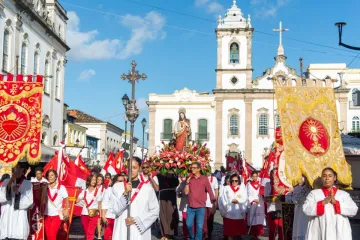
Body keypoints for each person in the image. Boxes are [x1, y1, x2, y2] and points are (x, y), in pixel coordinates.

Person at [111, 157, 159, 239]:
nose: (131, 170)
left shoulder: (147, 189)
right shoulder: (117, 187)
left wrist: (136, 220)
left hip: (139, 230)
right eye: (129, 168)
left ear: (140, 168)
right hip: (122, 228)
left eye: (134, 168)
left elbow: (155, 211)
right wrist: (125, 193)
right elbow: (115, 210)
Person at [303, 167, 358, 240]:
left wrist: (336, 203)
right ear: (321, 178)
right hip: (318, 230)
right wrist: (323, 202)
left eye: (330, 176)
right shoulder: (314, 194)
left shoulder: (343, 194)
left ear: (334, 178)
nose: (327, 178)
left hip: (339, 231)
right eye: (324, 176)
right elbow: (306, 209)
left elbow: (353, 210)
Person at [0, 162, 33, 239]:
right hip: (7, 213)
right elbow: (1, 196)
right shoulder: (6, 181)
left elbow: (29, 201)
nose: (16, 171)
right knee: (6, 234)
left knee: (18, 234)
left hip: (19, 215)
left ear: (22, 170)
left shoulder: (28, 184)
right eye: (14, 169)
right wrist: (11, 181)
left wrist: (18, 193)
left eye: (18, 169)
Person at [184, 162, 215, 240]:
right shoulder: (189, 178)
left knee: (199, 226)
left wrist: (213, 201)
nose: (192, 169)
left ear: (199, 169)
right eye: (191, 168)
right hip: (190, 207)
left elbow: (209, 190)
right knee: (188, 224)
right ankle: (191, 237)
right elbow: (186, 192)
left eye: (194, 168)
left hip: (201, 207)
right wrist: (187, 183)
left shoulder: (204, 179)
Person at [44, 169, 70, 240]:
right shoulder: (45, 187)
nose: (50, 177)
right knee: (47, 235)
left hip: (56, 216)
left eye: (52, 175)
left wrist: (67, 209)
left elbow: (67, 199)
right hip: (46, 215)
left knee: (51, 235)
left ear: (56, 177)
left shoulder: (61, 187)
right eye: (48, 176)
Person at [221, 173, 247, 239]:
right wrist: (230, 201)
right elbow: (223, 198)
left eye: (236, 181)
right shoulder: (226, 188)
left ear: (239, 181)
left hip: (238, 214)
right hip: (229, 214)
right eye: (232, 181)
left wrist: (238, 200)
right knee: (230, 233)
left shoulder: (242, 188)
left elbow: (245, 198)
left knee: (238, 234)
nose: (234, 182)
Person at [76, 174, 102, 240]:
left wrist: (100, 216)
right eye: (92, 180)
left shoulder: (98, 191)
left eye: (95, 180)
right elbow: (77, 200)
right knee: (86, 232)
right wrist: (76, 190)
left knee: (90, 233)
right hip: (84, 214)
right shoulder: (84, 191)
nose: (94, 181)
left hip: (94, 215)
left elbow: (99, 204)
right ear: (89, 181)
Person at [158, 172, 179, 240]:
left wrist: (172, 175)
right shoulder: (159, 176)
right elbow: (157, 187)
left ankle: (172, 233)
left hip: (171, 196)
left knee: (172, 214)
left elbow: (177, 183)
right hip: (163, 196)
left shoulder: (174, 176)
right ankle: (165, 233)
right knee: (163, 215)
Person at [246, 171, 266, 239]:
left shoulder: (261, 185)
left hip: (260, 204)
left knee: (259, 219)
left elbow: (263, 194)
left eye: (256, 176)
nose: (254, 177)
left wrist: (260, 199)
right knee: (253, 219)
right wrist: (253, 200)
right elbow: (248, 195)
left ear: (258, 176)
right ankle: (253, 234)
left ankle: (258, 234)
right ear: (251, 177)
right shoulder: (248, 185)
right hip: (253, 203)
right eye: (253, 176)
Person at [101, 176, 119, 240]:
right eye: (119, 181)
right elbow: (104, 203)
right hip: (110, 217)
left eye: (122, 181)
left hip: (120, 218)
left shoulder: (126, 190)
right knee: (108, 236)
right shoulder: (109, 190)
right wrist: (103, 216)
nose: (120, 183)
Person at [204, 171, 219, 239]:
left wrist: (215, 203)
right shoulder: (203, 178)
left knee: (210, 219)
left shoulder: (214, 179)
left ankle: (209, 233)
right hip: (203, 203)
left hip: (211, 202)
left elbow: (216, 190)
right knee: (203, 219)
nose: (207, 172)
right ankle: (204, 233)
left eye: (208, 171)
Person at [96, 174, 106, 240]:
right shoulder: (92, 186)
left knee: (99, 220)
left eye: (100, 180)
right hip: (92, 206)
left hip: (101, 206)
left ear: (102, 181)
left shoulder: (104, 189)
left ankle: (99, 234)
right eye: (98, 179)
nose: (99, 181)